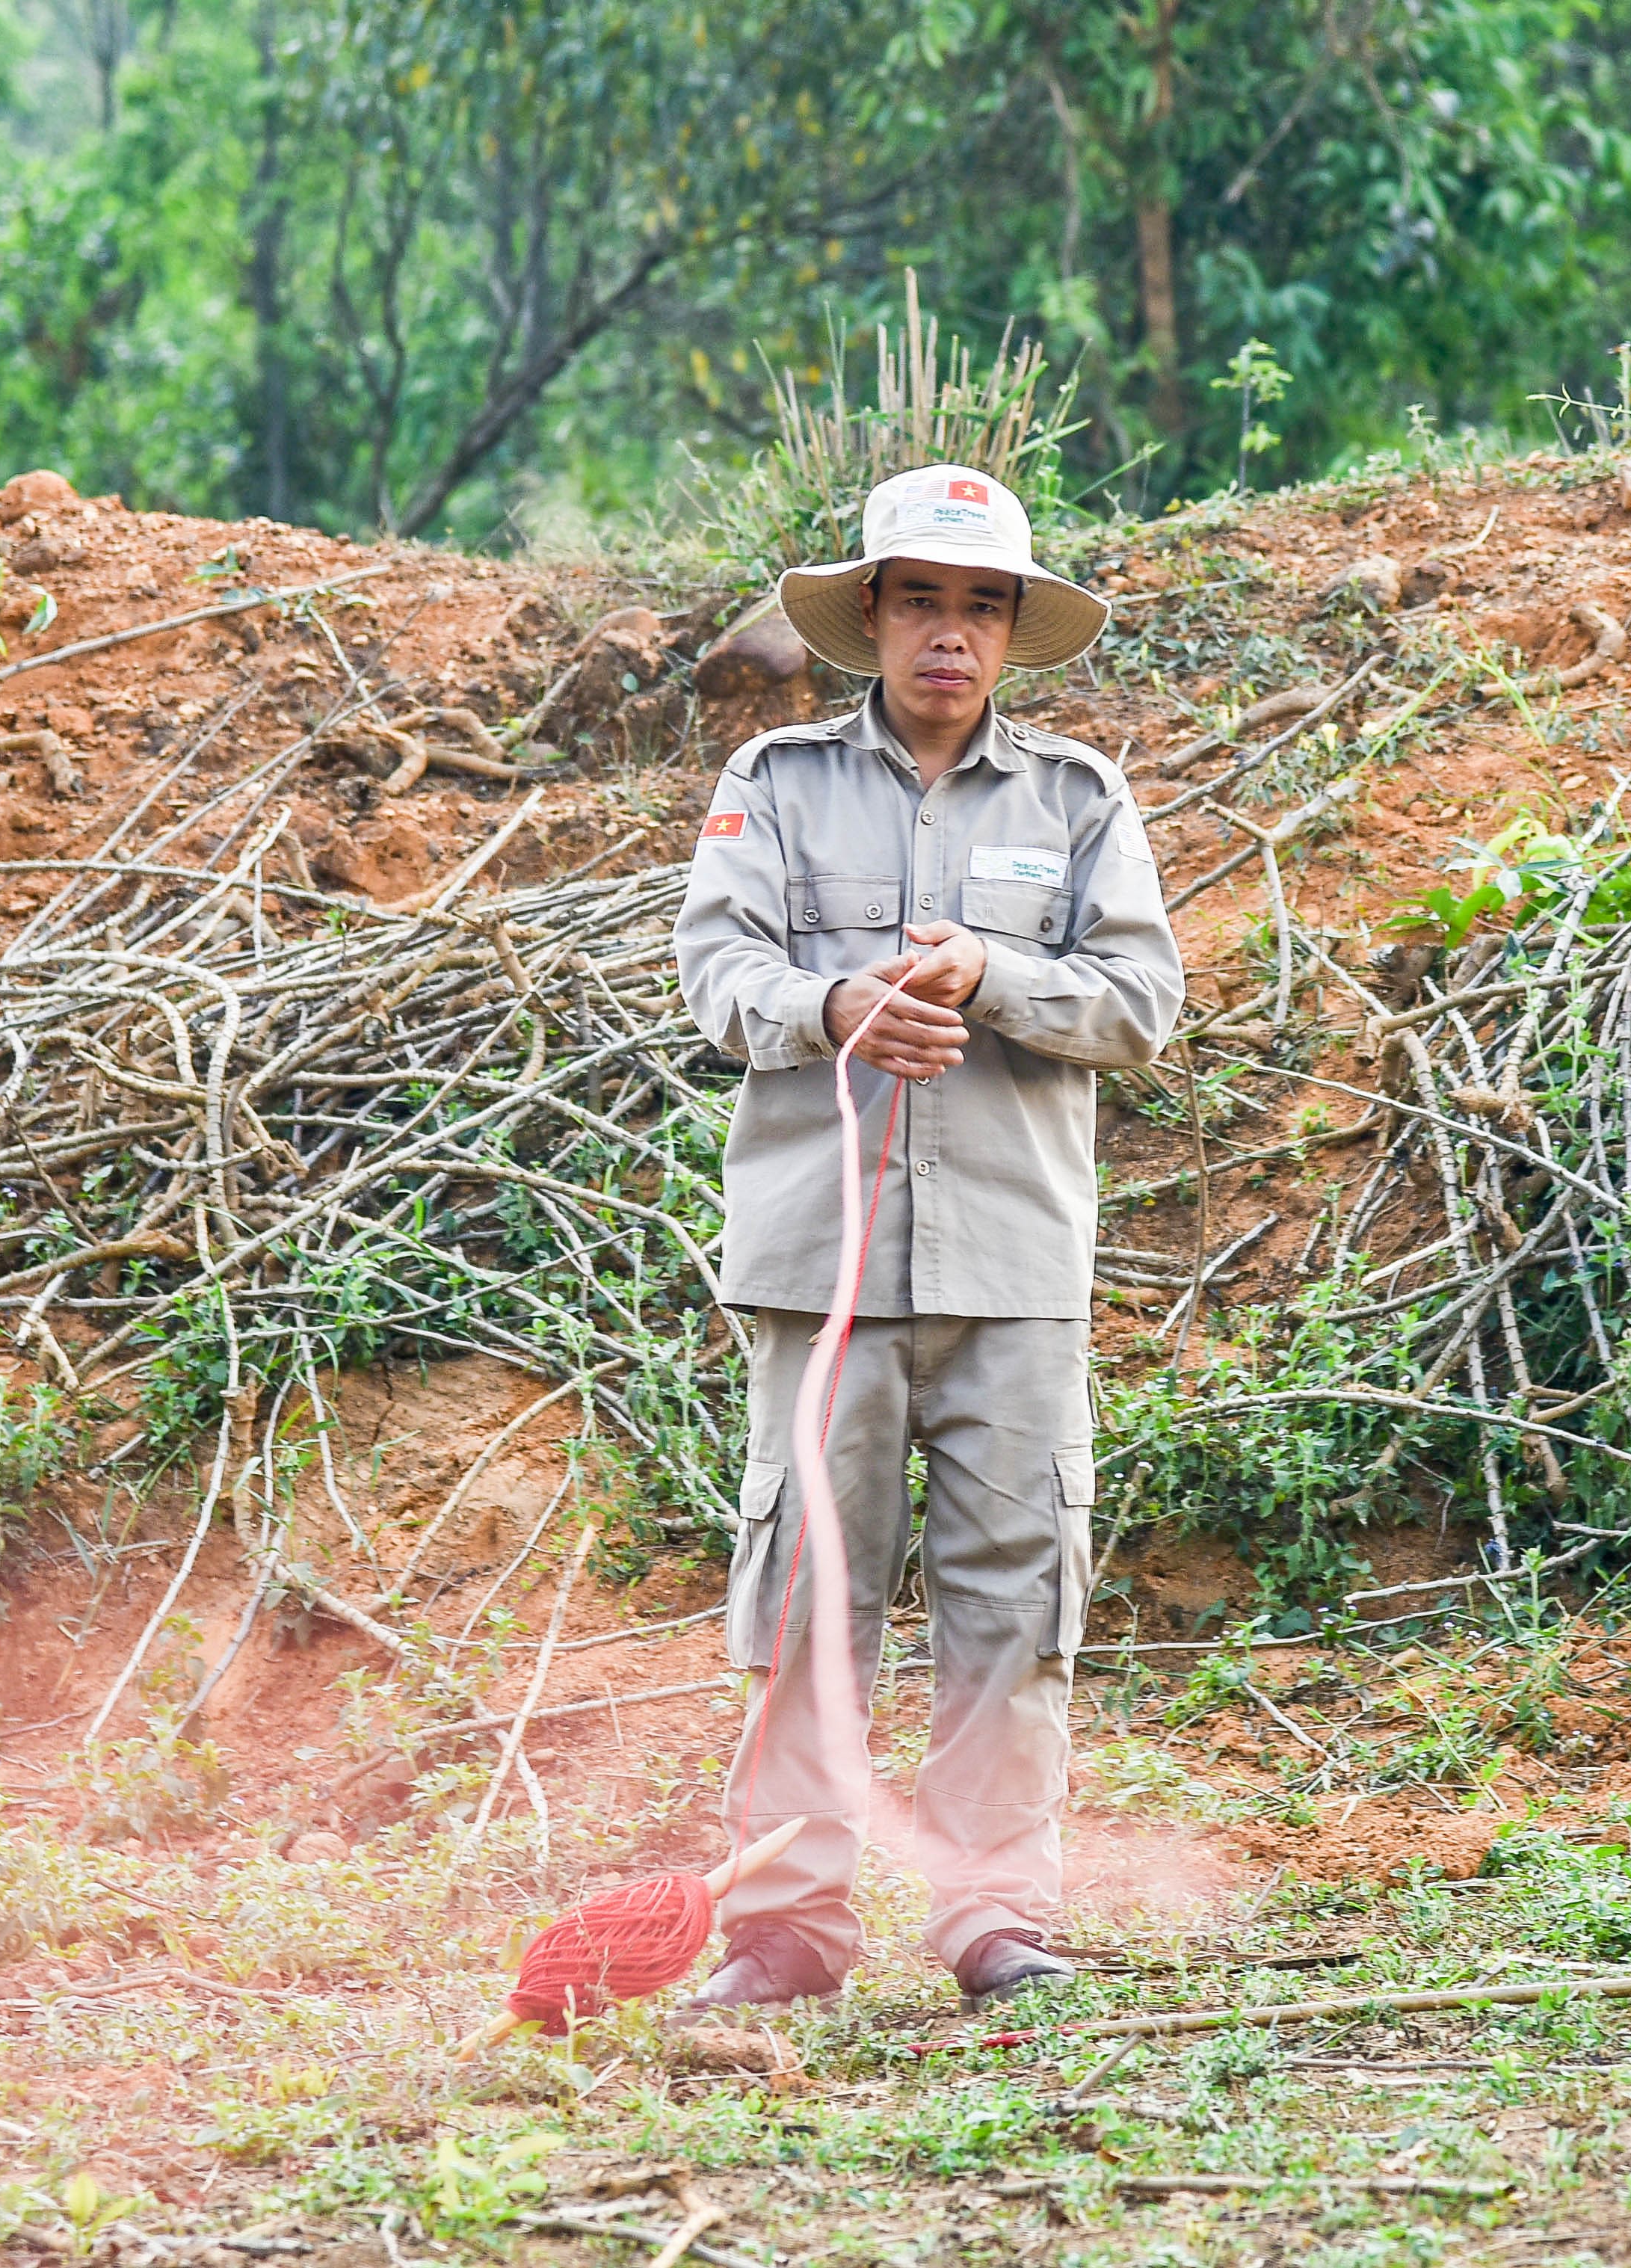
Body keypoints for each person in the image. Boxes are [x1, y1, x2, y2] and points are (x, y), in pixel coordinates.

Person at [673, 465, 1183, 2006]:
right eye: (917, 600)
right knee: (804, 1589)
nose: (946, 634)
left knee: (1011, 1593)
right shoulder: (773, 781)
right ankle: (787, 1927)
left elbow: (1142, 1004)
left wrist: (994, 981)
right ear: (872, 619)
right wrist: (831, 1006)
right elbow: (713, 966)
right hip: (814, 1259)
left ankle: (991, 1919)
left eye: (978, 604)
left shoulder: (1080, 799)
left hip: (1012, 1269)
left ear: (1013, 630)